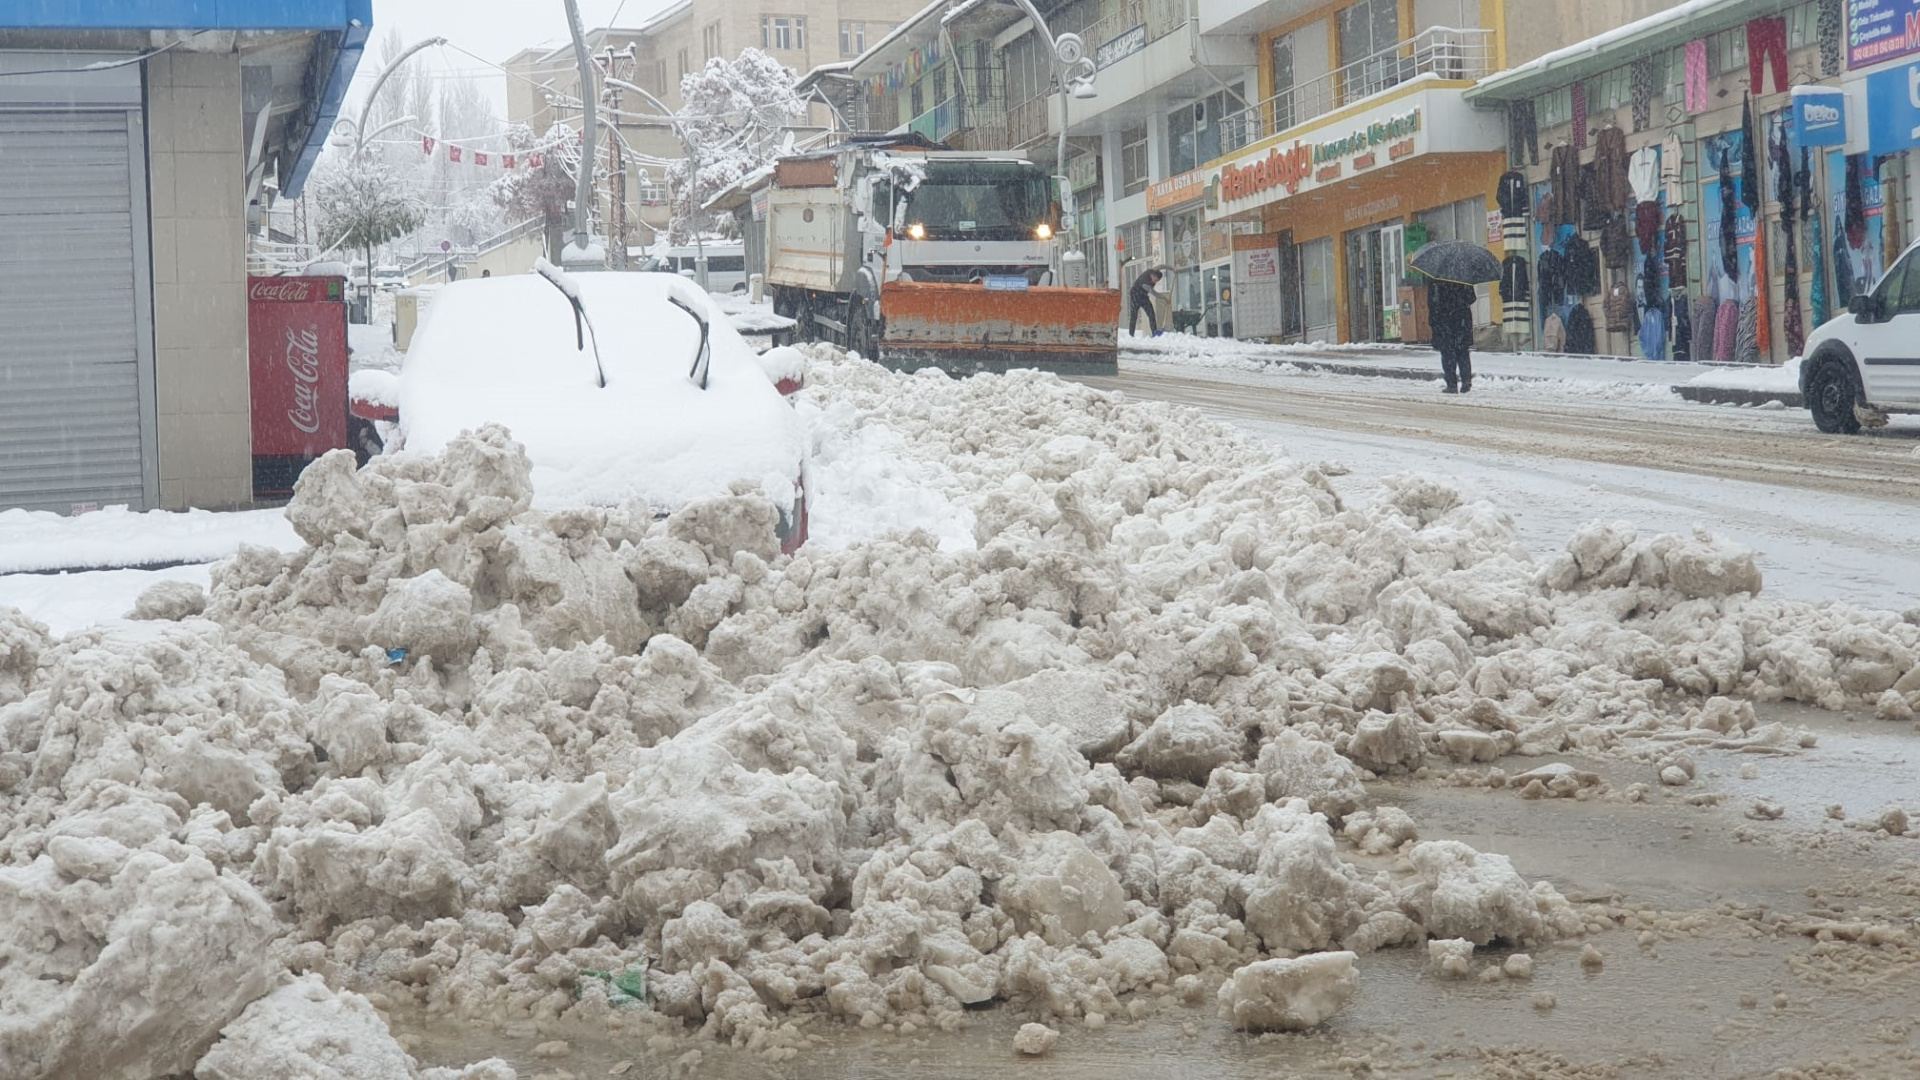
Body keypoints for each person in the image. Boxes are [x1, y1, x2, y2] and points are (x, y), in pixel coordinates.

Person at [1429, 280, 1476, 393]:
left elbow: (1432, 302)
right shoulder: (1463, 278)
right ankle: (1466, 380)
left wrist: (1433, 321)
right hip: (1462, 320)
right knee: (1463, 351)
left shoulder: (1436, 281)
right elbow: (1472, 298)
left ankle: (1452, 384)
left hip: (1445, 321)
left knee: (1447, 353)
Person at [1129, 268, 1163, 337]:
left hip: (1143, 296)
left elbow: (1161, 266)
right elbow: (1154, 293)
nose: (1155, 282)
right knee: (1134, 316)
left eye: (1157, 281)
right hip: (1135, 294)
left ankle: (1154, 333)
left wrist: (1172, 269)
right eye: (1155, 280)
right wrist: (1164, 298)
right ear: (1152, 276)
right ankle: (1131, 334)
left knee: (1151, 314)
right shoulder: (1145, 282)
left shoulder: (1152, 271)